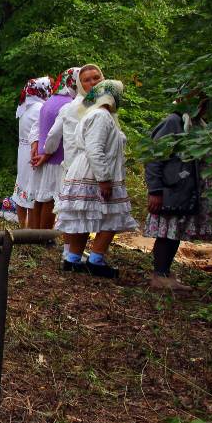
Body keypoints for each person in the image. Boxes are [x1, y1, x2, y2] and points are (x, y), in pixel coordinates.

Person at [55, 80, 138, 277]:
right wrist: (104, 179)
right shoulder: (101, 116)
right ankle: (95, 259)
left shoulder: (95, 114)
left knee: (84, 216)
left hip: (87, 170)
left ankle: (74, 259)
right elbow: (94, 149)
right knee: (112, 217)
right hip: (94, 172)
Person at [144, 94, 212, 291]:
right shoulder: (173, 123)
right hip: (173, 190)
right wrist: (155, 190)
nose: (204, 107)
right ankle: (159, 275)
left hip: (186, 191)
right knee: (167, 232)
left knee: (175, 232)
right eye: (200, 103)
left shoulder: (198, 125)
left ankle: (165, 273)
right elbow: (154, 158)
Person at [46, 64, 105, 252]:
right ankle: (71, 252)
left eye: (96, 78)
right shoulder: (78, 107)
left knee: (78, 212)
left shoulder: (98, 104)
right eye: (87, 80)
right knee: (77, 212)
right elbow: (54, 136)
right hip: (80, 165)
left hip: (84, 164)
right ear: (78, 84)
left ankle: (71, 251)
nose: (93, 83)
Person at [28, 67, 80, 229]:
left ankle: (34, 234)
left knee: (40, 197)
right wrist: (48, 153)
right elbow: (54, 134)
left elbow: (36, 127)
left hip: (42, 156)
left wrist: (35, 147)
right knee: (50, 199)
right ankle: (44, 236)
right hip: (55, 159)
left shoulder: (50, 100)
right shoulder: (69, 104)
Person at [12, 77, 52, 226]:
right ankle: (31, 227)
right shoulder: (40, 108)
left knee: (22, 185)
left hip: (23, 150)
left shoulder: (24, 106)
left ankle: (23, 225)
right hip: (33, 151)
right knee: (33, 188)